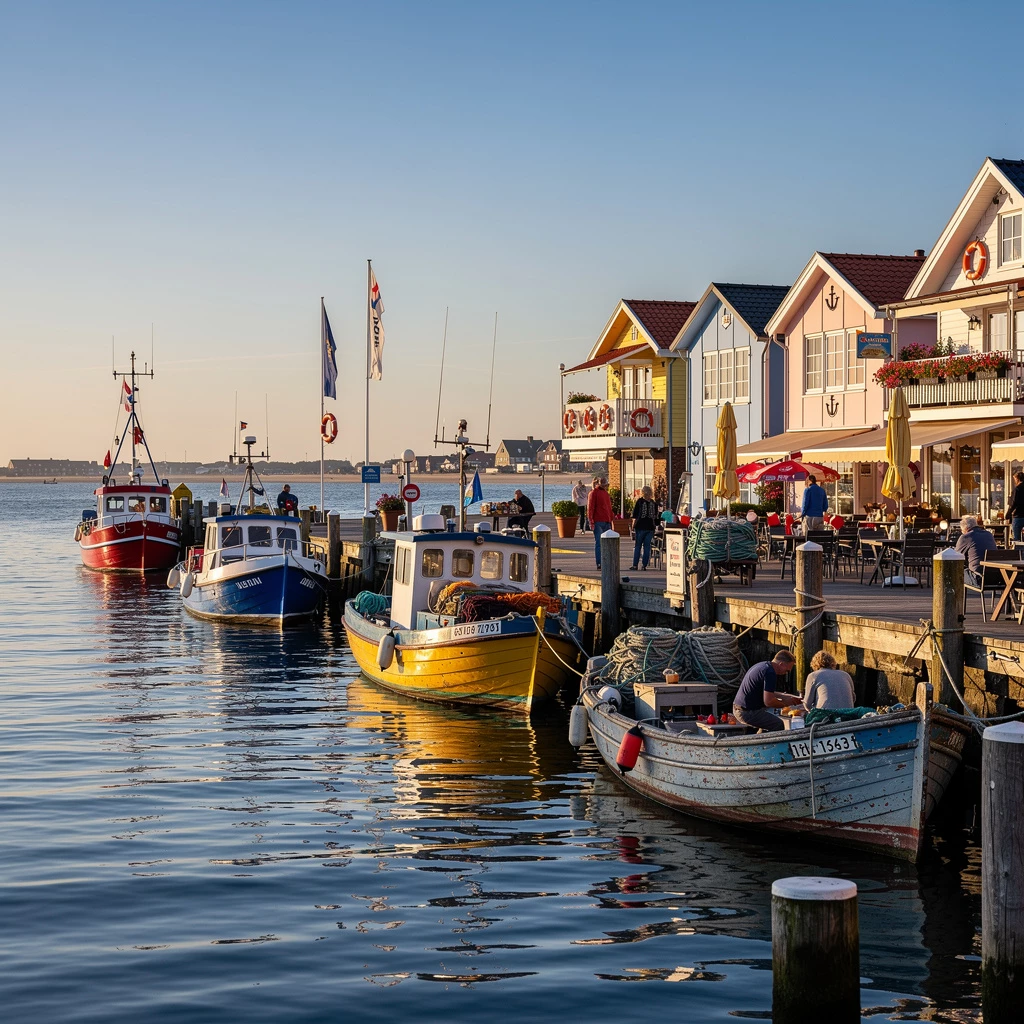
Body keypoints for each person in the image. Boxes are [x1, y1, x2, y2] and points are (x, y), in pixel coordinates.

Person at [732, 651, 802, 732]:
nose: (786, 673)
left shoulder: (763, 666)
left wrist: (784, 696)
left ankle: (760, 739)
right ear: (781, 664)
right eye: (787, 670)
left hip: (738, 708)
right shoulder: (770, 673)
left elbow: (767, 692)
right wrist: (786, 704)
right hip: (746, 712)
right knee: (778, 724)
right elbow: (768, 702)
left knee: (768, 718)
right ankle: (772, 743)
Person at [955, 515, 997, 584]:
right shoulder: (989, 534)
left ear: (965, 528)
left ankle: (951, 593)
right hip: (995, 576)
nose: (962, 532)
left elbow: (955, 557)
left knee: (955, 571)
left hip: (978, 577)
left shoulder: (966, 537)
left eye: (962, 530)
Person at [587, 477, 613, 569]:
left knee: (605, 543)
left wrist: (611, 520)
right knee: (599, 543)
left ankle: (605, 562)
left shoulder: (605, 494)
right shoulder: (594, 493)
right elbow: (590, 508)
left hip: (606, 521)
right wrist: (591, 521)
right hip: (599, 521)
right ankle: (599, 563)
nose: (606, 487)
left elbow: (609, 508)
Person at [630, 485, 658, 570]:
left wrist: (633, 526)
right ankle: (644, 565)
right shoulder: (654, 503)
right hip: (650, 527)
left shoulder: (640, 502)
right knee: (647, 547)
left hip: (640, 526)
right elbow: (656, 517)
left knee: (638, 546)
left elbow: (635, 516)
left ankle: (635, 565)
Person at [1008, 471, 1024, 543]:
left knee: (1016, 538)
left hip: (1018, 516)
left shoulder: (1017, 489)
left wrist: (1008, 513)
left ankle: (1018, 552)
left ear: (1017, 479)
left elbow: (1014, 503)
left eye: (1015, 479)